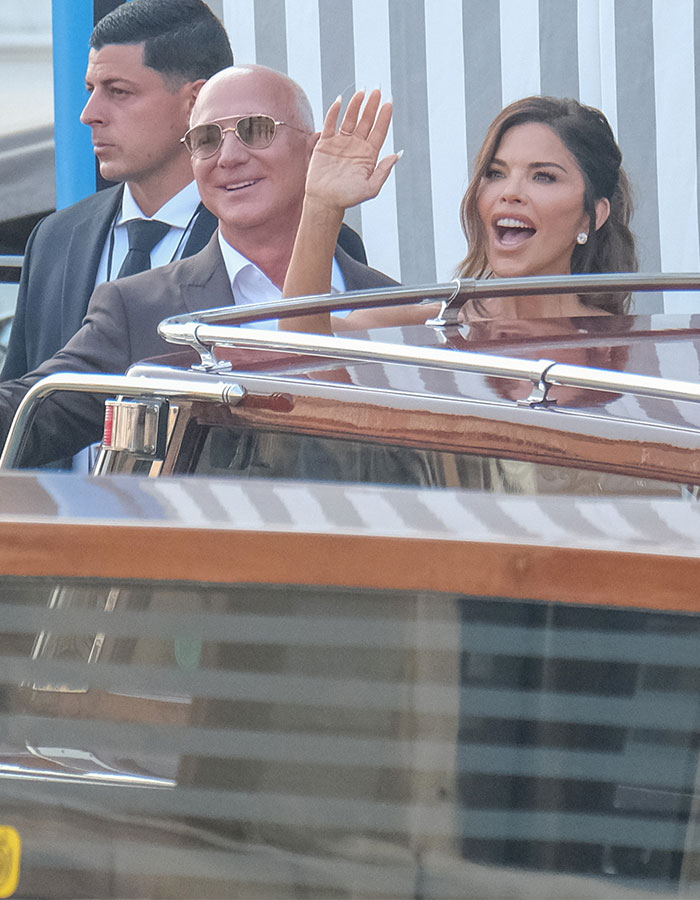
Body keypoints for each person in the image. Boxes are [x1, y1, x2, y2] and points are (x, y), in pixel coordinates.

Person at [0, 65, 397, 468]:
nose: (229, 157)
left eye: (255, 130)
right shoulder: (140, 308)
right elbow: (35, 409)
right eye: (205, 140)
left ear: (313, 150)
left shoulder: (394, 309)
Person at [2, 0, 233, 383]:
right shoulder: (54, 239)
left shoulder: (271, 242)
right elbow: (20, 410)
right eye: (91, 89)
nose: (89, 113)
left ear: (196, 103)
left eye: (119, 92)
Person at [283, 93, 638, 322]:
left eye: (543, 177)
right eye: (495, 173)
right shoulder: (427, 327)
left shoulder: (628, 347)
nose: (510, 192)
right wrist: (322, 206)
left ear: (594, 215)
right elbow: (301, 350)